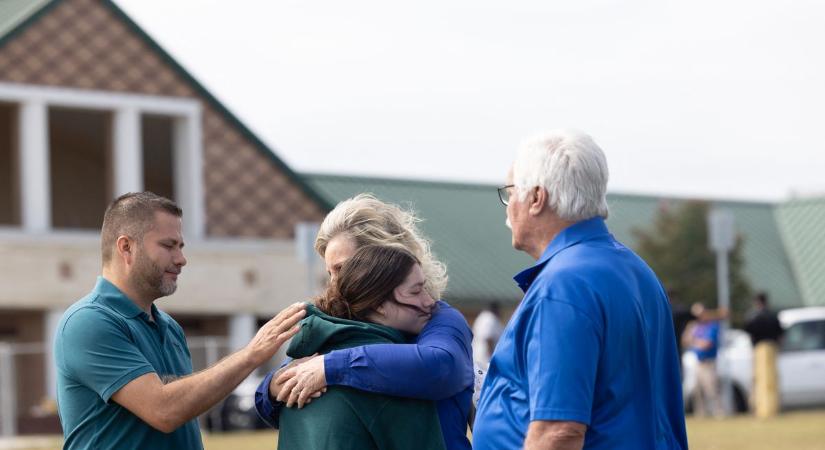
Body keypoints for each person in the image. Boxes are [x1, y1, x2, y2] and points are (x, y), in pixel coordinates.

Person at [473, 130, 688, 450]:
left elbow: (558, 432)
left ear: (536, 198)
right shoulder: (637, 271)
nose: (508, 207)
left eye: (511, 192)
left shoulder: (563, 286)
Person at [54, 192, 306, 450]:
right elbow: (164, 410)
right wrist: (252, 354)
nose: (181, 259)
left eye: (181, 247)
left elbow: (184, 409)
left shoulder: (170, 327)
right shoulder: (88, 322)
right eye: (168, 245)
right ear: (126, 247)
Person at [255, 194, 473, 450]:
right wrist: (273, 386)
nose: (336, 284)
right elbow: (269, 397)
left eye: (344, 268)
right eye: (330, 273)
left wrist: (331, 366)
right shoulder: (337, 330)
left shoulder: (437, 316)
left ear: (385, 260)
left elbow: (441, 367)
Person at [277, 244, 446, 450]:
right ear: (378, 305)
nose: (430, 301)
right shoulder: (397, 379)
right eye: (416, 291)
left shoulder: (300, 366)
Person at [744, 292, 784, 417]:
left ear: (757, 302)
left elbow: (748, 329)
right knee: (772, 379)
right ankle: (773, 408)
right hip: (773, 348)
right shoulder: (773, 315)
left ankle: (763, 410)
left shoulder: (755, 316)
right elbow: (781, 334)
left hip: (760, 349)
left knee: (761, 379)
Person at [687, 302, 724, 417]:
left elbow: (707, 344)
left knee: (711, 389)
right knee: (698, 390)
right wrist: (694, 339)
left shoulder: (712, 326)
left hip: (708, 362)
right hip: (698, 361)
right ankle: (701, 413)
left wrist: (694, 341)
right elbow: (685, 340)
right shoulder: (695, 326)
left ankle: (718, 412)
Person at [472, 301, 503, 368]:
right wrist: (493, 359)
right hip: (485, 358)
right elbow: (489, 339)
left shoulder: (482, 317)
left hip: (477, 357)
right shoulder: (490, 318)